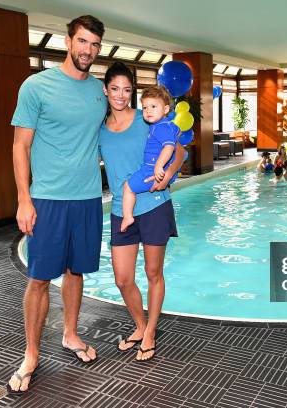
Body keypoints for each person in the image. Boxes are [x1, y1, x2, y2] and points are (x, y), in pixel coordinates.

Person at [9, 15, 106, 393]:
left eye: (95, 44)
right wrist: (24, 198)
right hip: (47, 198)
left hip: (87, 199)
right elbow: (21, 144)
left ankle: (70, 334)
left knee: (76, 272)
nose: (88, 50)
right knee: (38, 279)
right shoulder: (37, 86)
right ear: (68, 42)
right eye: (82, 41)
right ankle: (31, 354)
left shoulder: (99, 91)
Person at [99, 61, 185, 362]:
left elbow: (179, 150)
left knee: (152, 273)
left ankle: (150, 333)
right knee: (122, 278)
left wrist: (167, 176)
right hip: (122, 210)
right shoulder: (100, 129)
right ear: (105, 90)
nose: (121, 96)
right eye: (115, 89)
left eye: (127, 90)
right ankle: (140, 325)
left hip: (154, 207)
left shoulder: (146, 118)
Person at [121, 86, 179, 232]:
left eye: (153, 106)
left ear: (166, 109)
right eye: (145, 107)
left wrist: (159, 167)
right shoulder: (166, 125)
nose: (148, 111)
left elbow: (169, 147)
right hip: (159, 171)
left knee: (128, 187)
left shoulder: (160, 127)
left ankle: (128, 216)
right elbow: (177, 133)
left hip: (151, 171)